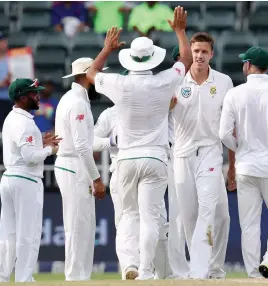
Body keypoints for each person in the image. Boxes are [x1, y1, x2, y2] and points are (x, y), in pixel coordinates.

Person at [86, 6, 193, 280]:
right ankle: (146, 270)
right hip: (155, 157)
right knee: (151, 216)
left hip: (126, 158)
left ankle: (130, 266)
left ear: (130, 58)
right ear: (152, 59)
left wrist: (107, 48)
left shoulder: (119, 84)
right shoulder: (164, 81)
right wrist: (180, 31)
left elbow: (90, 73)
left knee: (129, 217)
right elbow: (186, 60)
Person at [219, 47, 268, 278]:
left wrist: (240, 149)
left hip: (245, 167)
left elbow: (224, 134)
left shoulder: (234, 94)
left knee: (249, 224)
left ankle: (254, 275)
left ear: (249, 65)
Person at [170, 32, 233, 279]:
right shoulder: (176, 82)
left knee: (213, 211)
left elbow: (231, 126)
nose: (199, 56)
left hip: (210, 151)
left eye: (204, 52)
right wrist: (168, 105)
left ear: (211, 54)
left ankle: (207, 270)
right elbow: (160, 114)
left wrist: (233, 164)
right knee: (189, 215)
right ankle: (199, 268)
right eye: (195, 51)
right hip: (183, 153)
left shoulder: (224, 82)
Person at [0, 78, 60, 283]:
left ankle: (0, 277)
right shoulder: (24, 123)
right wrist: (50, 149)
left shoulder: (13, 117)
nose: (38, 96)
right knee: (28, 233)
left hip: (11, 177)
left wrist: (40, 140)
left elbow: (23, 147)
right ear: (22, 98)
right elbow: (30, 158)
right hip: (26, 180)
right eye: (33, 93)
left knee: (8, 231)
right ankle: (23, 278)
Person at [54, 57, 107, 281]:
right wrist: (96, 178)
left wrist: (112, 142)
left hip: (75, 164)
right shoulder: (76, 102)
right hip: (73, 165)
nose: (99, 79)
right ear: (87, 75)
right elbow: (82, 145)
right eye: (96, 74)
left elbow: (87, 141)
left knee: (84, 224)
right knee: (77, 224)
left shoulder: (77, 99)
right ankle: (75, 278)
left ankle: (81, 277)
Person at [167, 45, 189, 279]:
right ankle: (178, 269)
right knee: (177, 213)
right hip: (174, 152)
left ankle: (204, 265)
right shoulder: (169, 85)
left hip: (200, 154)